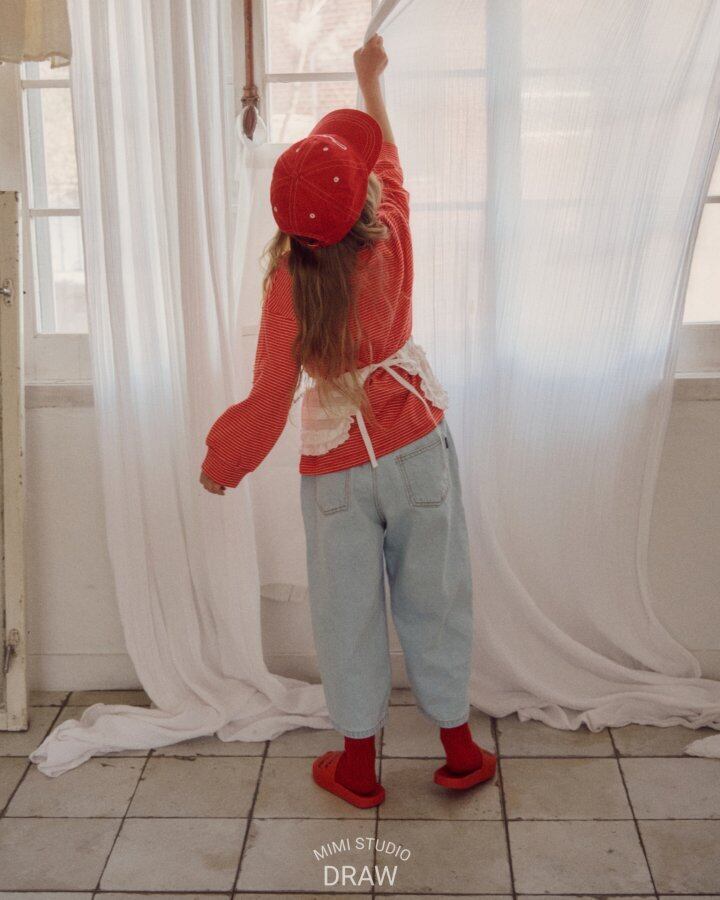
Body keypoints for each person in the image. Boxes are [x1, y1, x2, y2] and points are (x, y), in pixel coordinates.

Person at [200, 34, 495, 809]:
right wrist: (370, 84)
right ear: (364, 194)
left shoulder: (285, 288)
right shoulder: (391, 230)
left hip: (338, 467)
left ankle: (360, 766)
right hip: (418, 445)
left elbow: (270, 397)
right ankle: (460, 750)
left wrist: (224, 463)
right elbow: (388, 157)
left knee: (347, 614)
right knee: (438, 596)